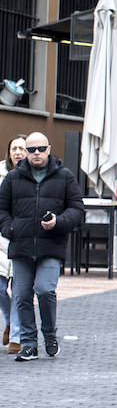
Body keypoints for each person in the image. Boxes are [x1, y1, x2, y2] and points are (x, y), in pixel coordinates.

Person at [0, 133, 83, 361]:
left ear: (49, 149)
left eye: (40, 148)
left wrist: (58, 222)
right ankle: (28, 343)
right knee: (21, 295)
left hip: (51, 246)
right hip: (21, 247)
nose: (36, 153)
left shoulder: (65, 177)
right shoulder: (13, 178)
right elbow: (2, 210)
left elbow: (77, 210)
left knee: (45, 290)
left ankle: (49, 335)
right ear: (26, 152)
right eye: (31, 149)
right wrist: (10, 229)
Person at [1, 135, 24, 352]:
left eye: (21, 148)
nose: (17, 152)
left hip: (22, 240)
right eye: (13, 148)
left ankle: (16, 336)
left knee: (19, 290)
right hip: (1, 238)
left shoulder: (33, 177)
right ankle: (9, 320)